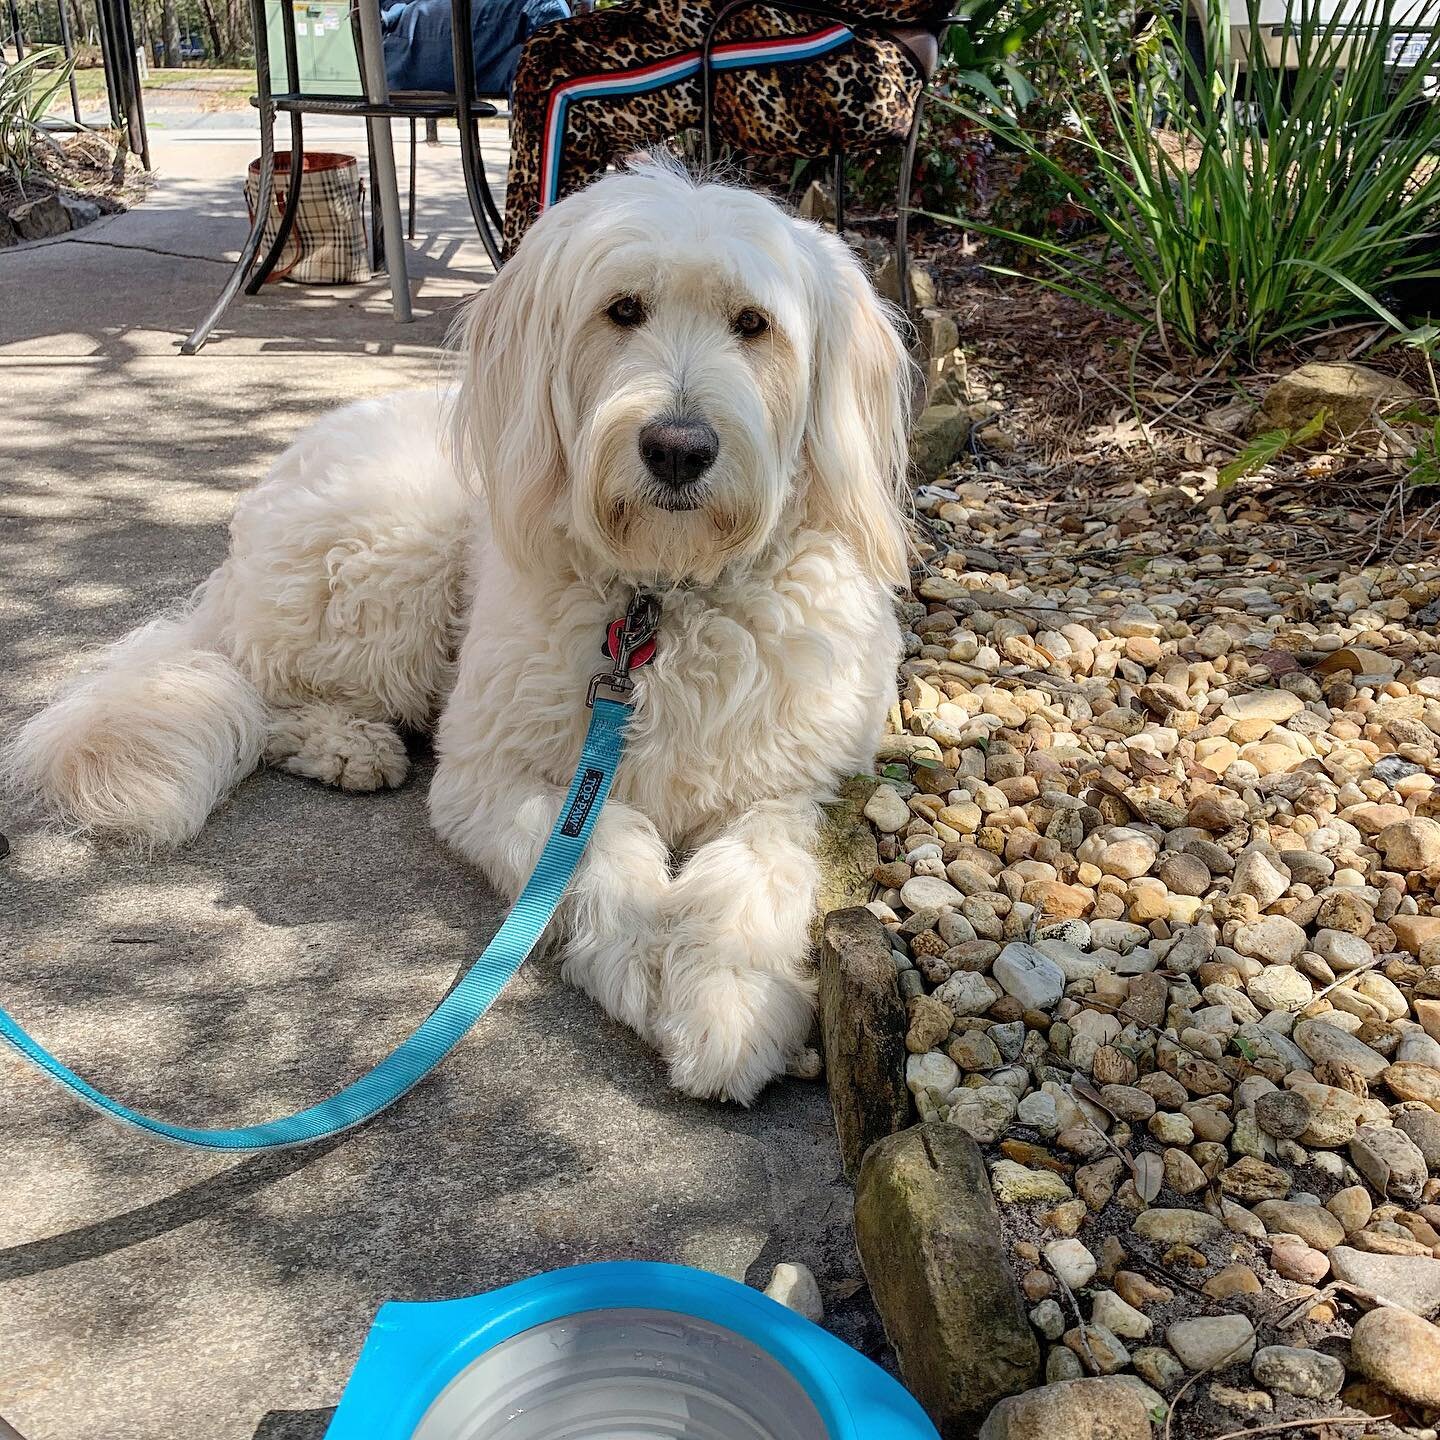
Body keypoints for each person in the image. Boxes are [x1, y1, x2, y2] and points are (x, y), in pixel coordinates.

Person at [502, 0, 946, 255]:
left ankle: (534, 312)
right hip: (830, 37)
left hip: (851, 57)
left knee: (559, 72)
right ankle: (547, 296)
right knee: (559, 56)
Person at [381, 0, 571, 98]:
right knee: (543, 7)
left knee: (536, 65)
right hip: (396, 24)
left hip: (487, 42)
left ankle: (547, 171)